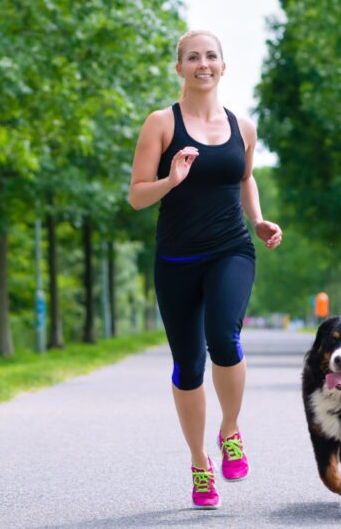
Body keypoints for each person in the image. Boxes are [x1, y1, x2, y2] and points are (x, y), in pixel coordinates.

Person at [128, 30, 282, 509]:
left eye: (211, 56)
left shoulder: (243, 127)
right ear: (180, 68)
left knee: (225, 338)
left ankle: (230, 430)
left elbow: (245, 177)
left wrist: (256, 220)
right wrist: (171, 179)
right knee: (189, 365)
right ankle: (199, 462)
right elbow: (136, 195)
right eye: (193, 57)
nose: (203, 64)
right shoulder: (160, 124)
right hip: (175, 257)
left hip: (230, 249)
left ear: (223, 65)